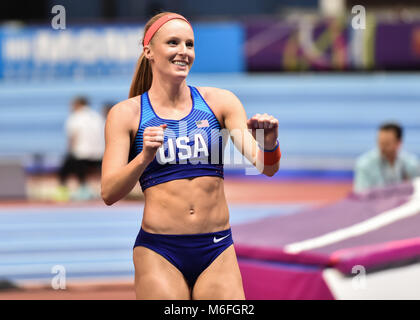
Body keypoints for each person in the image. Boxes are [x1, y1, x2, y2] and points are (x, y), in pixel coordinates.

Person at [101, 12, 281, 300]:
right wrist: (144, 157)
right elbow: (109, 192)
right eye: (173, 43)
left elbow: (266, 167)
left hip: (217, 248)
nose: (183, 52)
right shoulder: (126, 114)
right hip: (159, 250)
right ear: (149, 51)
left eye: (189, 44)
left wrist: (270, 144)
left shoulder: (220, 101)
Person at [55, 96, 105, 201]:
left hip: (82, 155)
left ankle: (66, 191)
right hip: (99, 155)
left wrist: (70, 151)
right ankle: (84, 189)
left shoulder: (75, 117)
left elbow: (73, 137)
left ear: (78, 104)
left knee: (65, 168)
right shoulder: (97, 117)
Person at [354, 122, 419, 193]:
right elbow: (360, 196)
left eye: (387, 144)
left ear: (399, 143)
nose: (382, 147)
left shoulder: (411, 164)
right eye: (380, 143)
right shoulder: (365, 165)